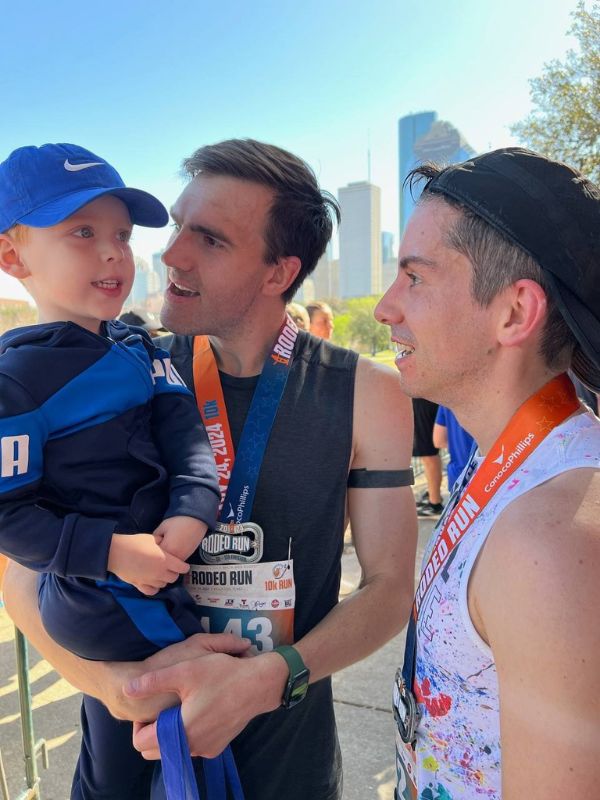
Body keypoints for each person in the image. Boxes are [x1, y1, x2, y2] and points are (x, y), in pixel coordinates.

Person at [4, 138, 418, 800]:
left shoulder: (367, 392)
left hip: (287, 768)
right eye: (173, 228)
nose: (169, 255)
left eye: (210, 239)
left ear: (277, 273)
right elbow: (22, 578)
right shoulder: (116, 371)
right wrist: (113, 686)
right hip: (131, 758)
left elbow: (392, 588)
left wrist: (272, 677)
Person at [375, 147, 600, 799]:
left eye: (414, 278)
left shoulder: (548, 540)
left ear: (513, 314)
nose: (387, 308)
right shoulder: (504, 463)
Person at [0, 143, 223, 799]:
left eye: (122, 236)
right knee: (191, 715)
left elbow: (186, 437)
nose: (112, 252)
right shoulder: (14, 381)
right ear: (13, 256)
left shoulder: (140, 345)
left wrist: (191, 507)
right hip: (105, 594)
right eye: (81, 232)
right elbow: (8, 517)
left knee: (120, 751)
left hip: (154, 574)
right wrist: (113, 553)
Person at [412, 398, 444, 516]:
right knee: (428, 454)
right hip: (424, 400)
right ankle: (433, 494)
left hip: (424, 400)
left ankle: (434, 503)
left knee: (428, 454)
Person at [432, 405, 475, 491]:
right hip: (491, 474)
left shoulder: (447, 400)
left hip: (458, 476)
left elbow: (439, 441)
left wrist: (458, 446)